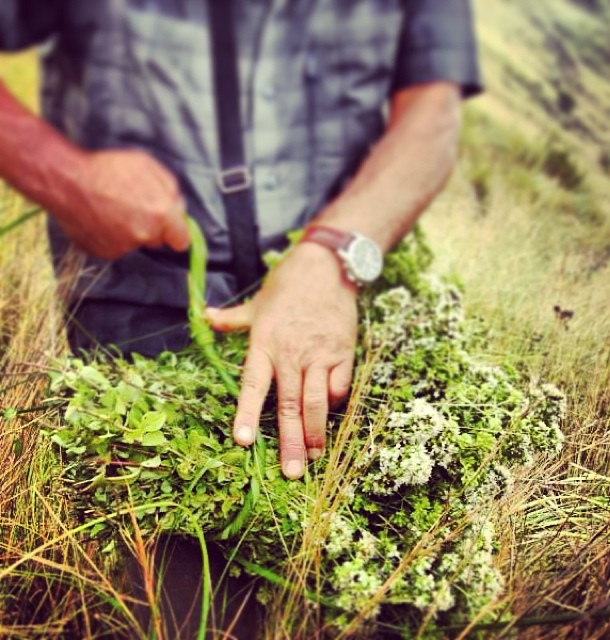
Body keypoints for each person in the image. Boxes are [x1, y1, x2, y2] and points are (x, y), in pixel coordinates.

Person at [0, 1, 482, 636]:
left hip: (342, 299)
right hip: (140, 302)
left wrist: (335, 253)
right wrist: (62, 175)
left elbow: (433, 110)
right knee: (181, 610)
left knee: (378, 597)